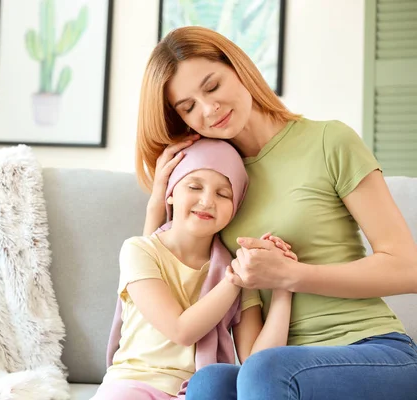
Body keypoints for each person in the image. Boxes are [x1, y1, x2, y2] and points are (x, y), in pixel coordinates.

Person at [135, 25, 417, 400]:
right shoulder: (216, 186)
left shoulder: (329, 140)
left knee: (266, 371)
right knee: (209, 383)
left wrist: (293, 275)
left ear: (239, 68)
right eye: (187, 107)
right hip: (273, 362)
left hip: (374, 349)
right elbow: (164, 269)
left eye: (213, 86)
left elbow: (407, 267)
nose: (208, 109)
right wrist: (158, 202)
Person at [94, 138, 297, 400]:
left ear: (234, 210)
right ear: (170, 193)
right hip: (132, 385)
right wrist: (232, 280)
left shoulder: (238, 268)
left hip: (199, 390)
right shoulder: (139, 251)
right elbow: (181, 331)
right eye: (194, 186)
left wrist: (284, 283)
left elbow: (257, 363)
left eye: (223, 194)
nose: (207, 200)